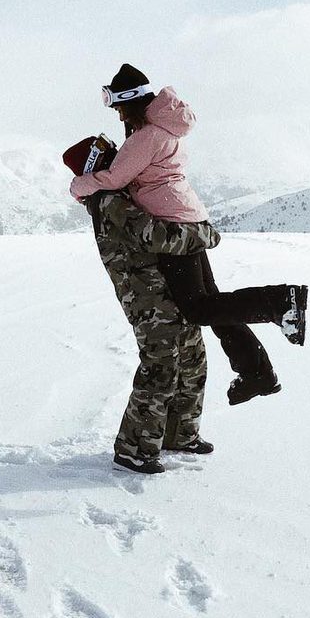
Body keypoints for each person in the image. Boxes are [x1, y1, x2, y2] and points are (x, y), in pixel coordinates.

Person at [69, 64, 307, 406]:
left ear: (130, 101)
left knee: (198, 309)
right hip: (187, 219)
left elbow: (114, 180)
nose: (117, 113)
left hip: (172, 228)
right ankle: (257, 372)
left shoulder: (147, 136)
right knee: (213, 304)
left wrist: (79, 186)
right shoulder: (165, 129)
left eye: (117, 105)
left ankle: (281, 302)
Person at [63, 134, 218, 476]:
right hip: (147, 297)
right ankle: (133, 449)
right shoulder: (108, 202)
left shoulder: (120, 192)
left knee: (192, 358)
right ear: (96, 166)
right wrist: (205, 235)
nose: (118, 155)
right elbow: (156, 236)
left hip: (166, 290)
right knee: (160, 366)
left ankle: (180, 434)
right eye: (107, 153)